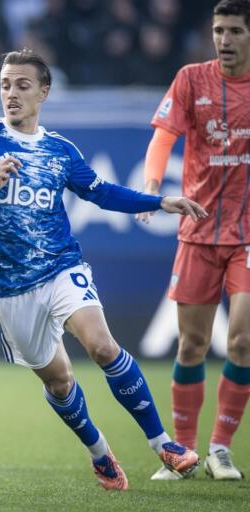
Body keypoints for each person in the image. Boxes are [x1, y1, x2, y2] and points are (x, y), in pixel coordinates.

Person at [0, 49, 206, 491]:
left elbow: (101, 192)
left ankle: (163, 443)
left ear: (44, 91)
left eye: (21, 85)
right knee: (59, 382)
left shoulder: (60, 150)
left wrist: (159, 201)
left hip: (62, 266)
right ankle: (100, 453)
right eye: (4, 85)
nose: (11, 94)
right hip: (9, 287)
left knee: (102, 346)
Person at [137, 0, 250, 481]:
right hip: (199, 231)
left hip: (247, 236)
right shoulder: (191, 79)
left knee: (243, 342)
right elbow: (163, 137)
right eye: (218, 30)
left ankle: (220, 449)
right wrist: (150, 188)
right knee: (192, 346)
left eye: (234, 31)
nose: (224, 39)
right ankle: (182, 453)